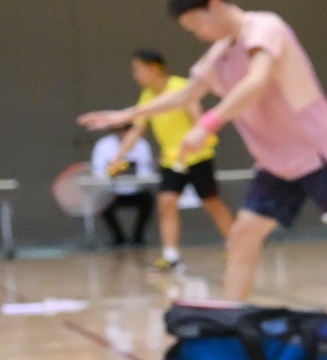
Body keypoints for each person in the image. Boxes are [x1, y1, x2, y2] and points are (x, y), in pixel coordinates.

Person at [76, 0, 327, 321]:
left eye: (196, 23)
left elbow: (257, 82)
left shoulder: (265, 27)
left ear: (215, 5)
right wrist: (127, 114)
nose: (197, 33)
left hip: (318, 152)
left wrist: (207, 124)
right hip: (275, 163)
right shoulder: (219, 53)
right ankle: (232, 320)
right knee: (243, 235)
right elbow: (185, 94)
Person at [100, 48, 236, 276]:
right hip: (171, 160)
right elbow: (137, 129)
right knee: (166, 202)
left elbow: (198, 118)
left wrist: (199, 139)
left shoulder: (180, 87)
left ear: (154, 68)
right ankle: (171, 257)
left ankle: (236, 245)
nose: (135, 75)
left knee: (212, 202)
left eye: (138, 69)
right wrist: (118, 156)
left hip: (197, 155)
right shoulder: (147, 96)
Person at [90, 126, 154, 248]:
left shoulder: (142, 144)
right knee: (102, 202)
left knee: (148, 199)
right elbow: (97, 171)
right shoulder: (103, 145)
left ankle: (138, 237)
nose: (122, 133)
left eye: (126, 130)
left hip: (136, 190)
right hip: (112, 192)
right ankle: (118, 238)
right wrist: (111, 171)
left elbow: (146, 170)